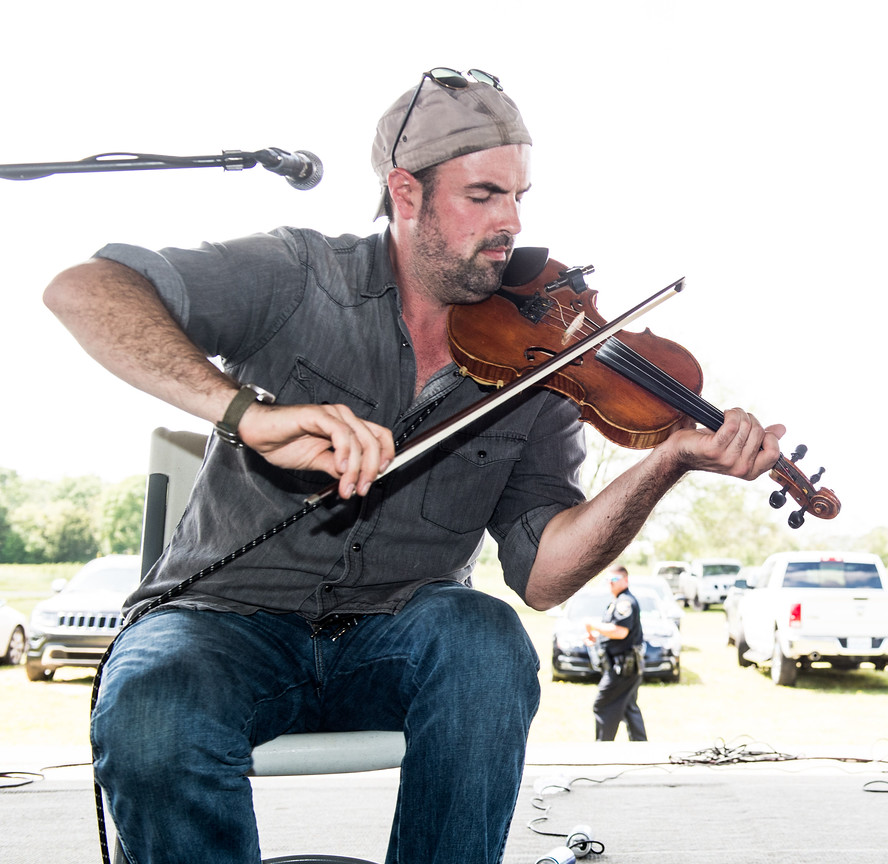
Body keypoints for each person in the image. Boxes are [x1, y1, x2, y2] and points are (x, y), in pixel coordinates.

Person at [42, 67, 785, 864]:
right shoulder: (298, 276)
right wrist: (245, 414)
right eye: (483, 196)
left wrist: (666, 460)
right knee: (152, 705)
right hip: (223, 623)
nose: (509, 223)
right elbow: (86, 288)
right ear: (405, 193)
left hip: (399, 632)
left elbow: (541, 576)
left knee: (488, 641)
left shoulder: (541, 365)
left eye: (519, 198)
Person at [587, 565, 647, 740]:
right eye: (608, 580)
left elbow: (620, 631)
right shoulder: (616, 602)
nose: (611, 583)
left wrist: (592, 624)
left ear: (625, 580)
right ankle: (641, 747)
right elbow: (612, 632)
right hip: (624, 666)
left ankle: (603, 748)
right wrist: (596, 636)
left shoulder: (624, 602)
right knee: (628, 707)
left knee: (602, 705)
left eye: (615, 579)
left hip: (623, 668)